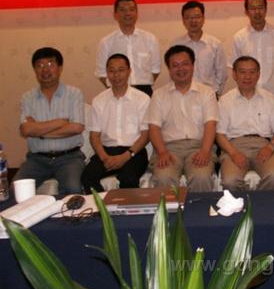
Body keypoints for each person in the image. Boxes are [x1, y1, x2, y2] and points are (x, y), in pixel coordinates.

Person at [146, 45, 218, 192]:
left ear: (193, 66)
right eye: (175, 65)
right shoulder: (159, 95)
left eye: (185, 64)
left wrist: (205, 151)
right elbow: (153, 128)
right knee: (163, 177)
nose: (180, 69)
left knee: (201, 176)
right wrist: (162, 152)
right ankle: (170, 209)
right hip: (169, 148)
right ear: (169, 69)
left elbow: (210, 125)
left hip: (199, 146)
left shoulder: (207, 92)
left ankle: (199, 208)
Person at [16, 47, 85, 195]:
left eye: (50, 64)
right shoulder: (28, 97)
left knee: (73, 190)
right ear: (34, 70)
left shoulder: (74, 94)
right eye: (39, 65)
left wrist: (39, 131)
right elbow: (26, 130)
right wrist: (61, 122)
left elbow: (76, 128)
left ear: (60, 68)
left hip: (69, 158)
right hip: (37, 159)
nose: (45, 69)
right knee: (16, 191)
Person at [81, 54, 150, 193]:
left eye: (121, 70)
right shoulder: (99, 100)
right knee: (87, 177)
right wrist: (104, 157)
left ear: (129, 71)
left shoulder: (142, 99)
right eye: (111, 71)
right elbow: (94, 136)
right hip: (106, 151)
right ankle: (103, 206)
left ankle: (125, 207)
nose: (116, 75)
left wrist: (125, 156)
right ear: (107, 73)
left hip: (134, 152)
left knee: (128, 178)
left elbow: (146, 135)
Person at [216, 56, 274, 191]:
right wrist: (233, 153)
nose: (248, 77)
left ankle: (257, 201)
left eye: (252, 72)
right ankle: (244, 201)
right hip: (234, 146)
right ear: (234, 74)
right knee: (230, 181)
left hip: (263, 145)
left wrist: (270, 148)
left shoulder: (270, 98)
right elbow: (219, 134)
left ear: (258, 75)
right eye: (242, 72)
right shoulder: (225, 100)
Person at [96, 0, 161, 96]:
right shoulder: (106, 42)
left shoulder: (150, 39)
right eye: (122, 10)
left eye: (131, 9)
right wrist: (117, 86)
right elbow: (101, 73)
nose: (127, 13)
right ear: (115, 15)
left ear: (136, 13)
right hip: (117, 91)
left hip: (144, 91)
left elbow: (155, 70)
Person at [231, 0, 274, 96]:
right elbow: (236, 67)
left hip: (273, 92)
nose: (257, 12)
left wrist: (272, 79)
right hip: (248, 92)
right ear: (246, 12)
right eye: (252, 8)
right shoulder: (239, 37)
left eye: (260, 7)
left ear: (266, 9)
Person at [172, 0, 227, 97]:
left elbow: (222, 74)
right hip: (184, 95)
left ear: (203, 18)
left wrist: (216, 92)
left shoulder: (215, 44)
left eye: (197, 17)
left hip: (209, 95)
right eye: (188, 17)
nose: (193, 21)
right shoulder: (176, 45)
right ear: (183, 20)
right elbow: (173, 72)